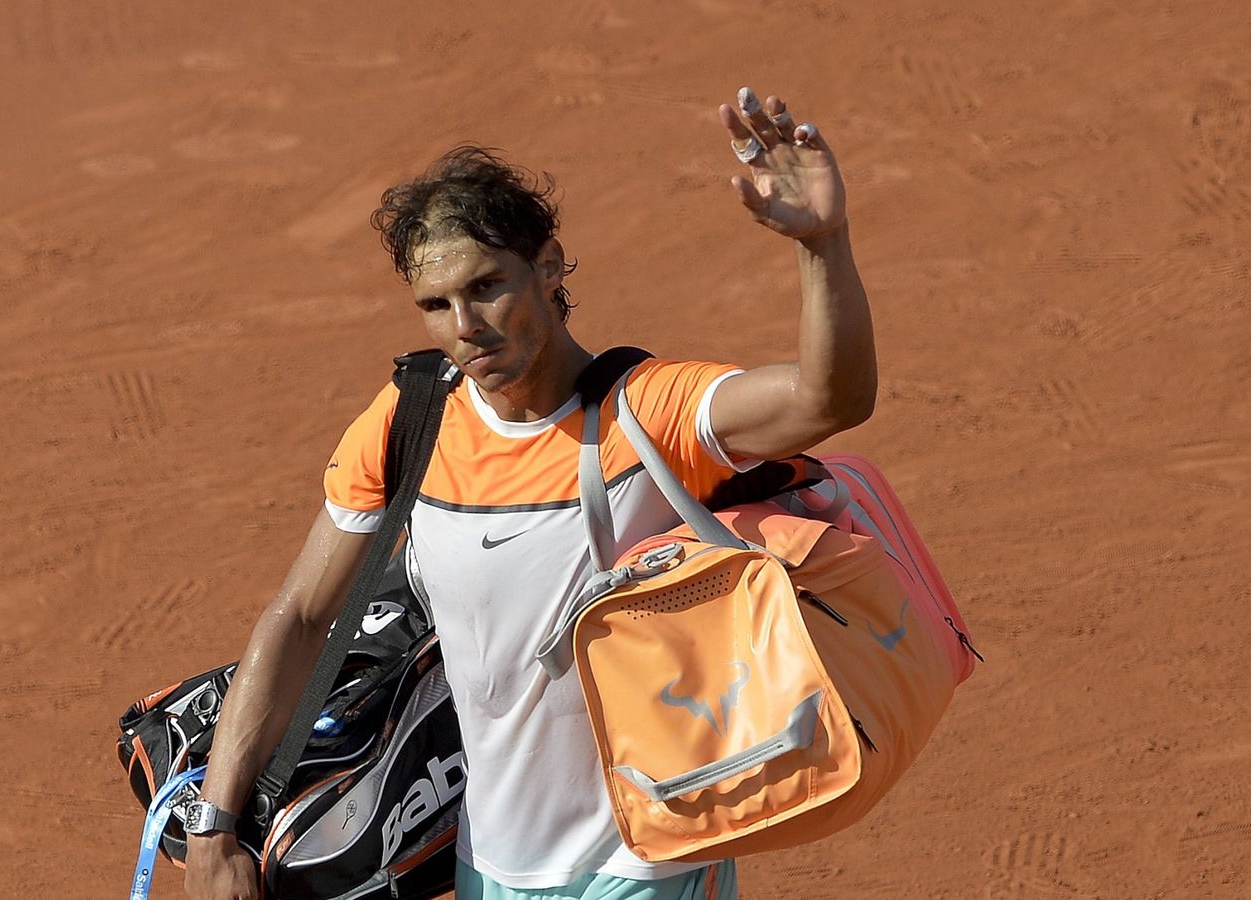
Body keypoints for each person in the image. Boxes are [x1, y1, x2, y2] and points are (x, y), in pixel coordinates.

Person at [184, 86, 877, 900]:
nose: (464, 326)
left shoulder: (646, 412)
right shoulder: (410, 423)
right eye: (435, 304)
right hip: (490, 861)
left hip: (649, 852)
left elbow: (827, 400)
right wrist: (213, 826)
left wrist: (823, 246)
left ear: (548, 268)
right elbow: (301, 614)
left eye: (485, 287)